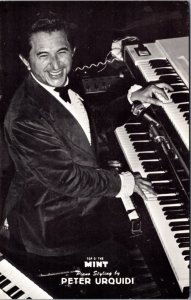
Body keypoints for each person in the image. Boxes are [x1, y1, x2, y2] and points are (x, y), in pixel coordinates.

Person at [3, 13, 173, 278]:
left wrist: (133, 98)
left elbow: (89, 125)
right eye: (42, 55)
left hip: (72, 202)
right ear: (26, 61)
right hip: (53, 225)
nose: (56, 64)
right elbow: (68, 180)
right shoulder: (25, 117)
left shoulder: (57, 86)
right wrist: (124, 183)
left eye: (61, 52)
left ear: (73, 51)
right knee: (121, 261)